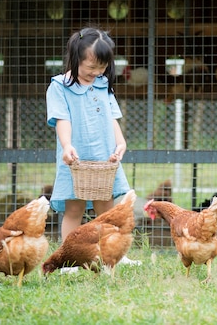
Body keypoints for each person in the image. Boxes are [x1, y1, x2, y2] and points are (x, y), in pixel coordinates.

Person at [46, 27, 140, 268]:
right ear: (76, 57)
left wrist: (121, 142)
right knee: (74, 209)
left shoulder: (102, 83)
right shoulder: (59, 86)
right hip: (75, 158)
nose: (96, 72)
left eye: (102, 67)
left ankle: (115, 256)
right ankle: (68, 260)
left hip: (103, 157)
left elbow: (111, 118)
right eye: (91, 67)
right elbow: (62, 119)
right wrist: (67, 146)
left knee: (107, 210)